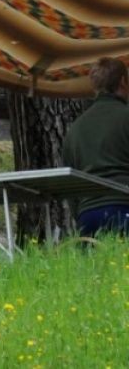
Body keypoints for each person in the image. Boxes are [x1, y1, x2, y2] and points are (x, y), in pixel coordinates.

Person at [62, 57, 129, 237]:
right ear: (123, 81)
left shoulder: (75, 129)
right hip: (123, 205)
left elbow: (70, 186)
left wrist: (81, 215)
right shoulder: (125, 117)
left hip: (87, 215)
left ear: (94, 86)